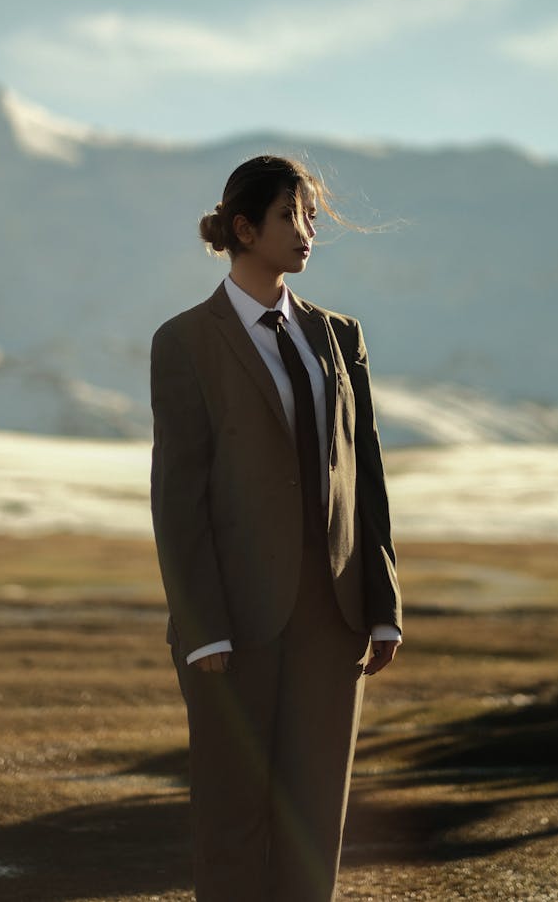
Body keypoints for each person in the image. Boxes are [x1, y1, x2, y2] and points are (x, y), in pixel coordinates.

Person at [150, 155, 401, 902]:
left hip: (336, 618)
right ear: (243, 227)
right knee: (232, 820)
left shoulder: (339, 336)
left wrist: (383, 602)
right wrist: (203, 627)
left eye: (312, 216)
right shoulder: (186, 341)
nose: (307, 231)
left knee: (314, 820)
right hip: (235, 623)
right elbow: (178, 494)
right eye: (291, 215)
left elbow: (370, 476)